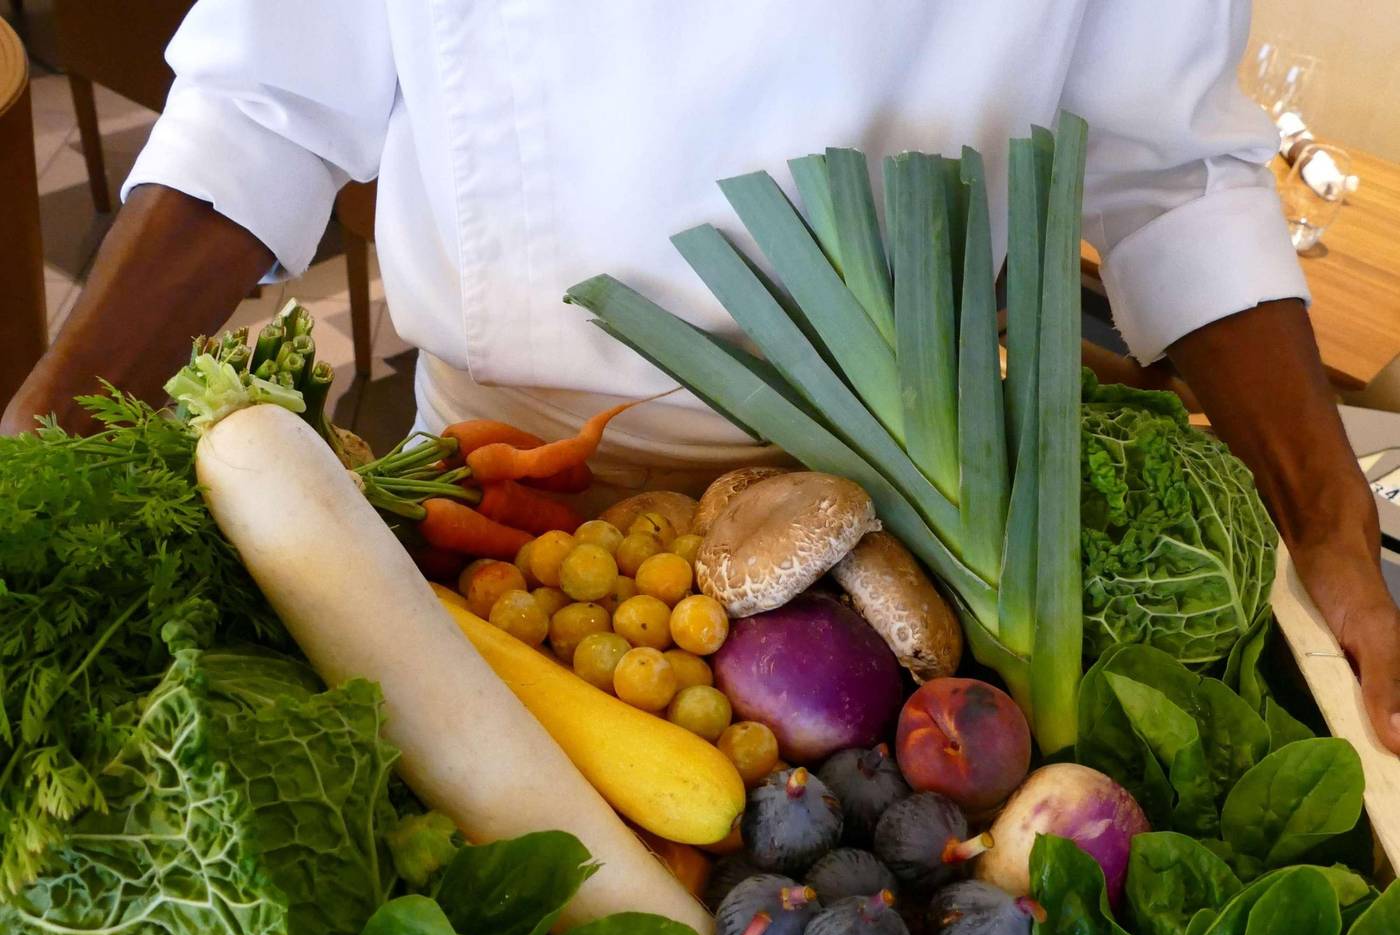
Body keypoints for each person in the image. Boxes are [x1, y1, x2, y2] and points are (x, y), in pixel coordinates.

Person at [5, 0, 1398, 753]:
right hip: (495, 521)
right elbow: (264, 104)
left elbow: (1173, 172)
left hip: (910, 542)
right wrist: (42, 426)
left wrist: (1333, 526)